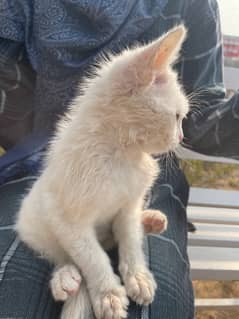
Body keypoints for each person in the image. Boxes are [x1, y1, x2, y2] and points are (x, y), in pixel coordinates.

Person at [0, 1, 238, 318]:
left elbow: (202, 115)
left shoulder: (189, 4)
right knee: (14, 289)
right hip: (38, 161)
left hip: (137, 162)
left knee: (154, 302)